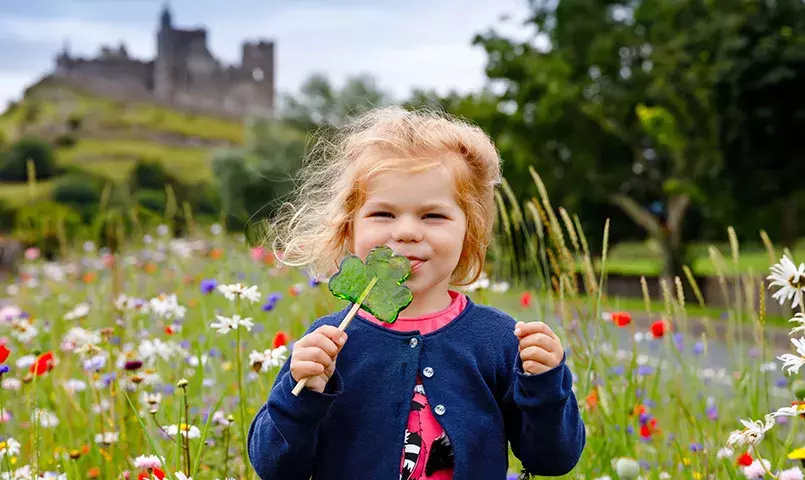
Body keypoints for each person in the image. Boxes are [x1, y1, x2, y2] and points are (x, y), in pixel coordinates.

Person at [247, 106, 586, 480]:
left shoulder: (499, 340)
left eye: (432, 216)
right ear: (348, 230)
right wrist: (302, 394)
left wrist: (544, 385)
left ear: (469, 232)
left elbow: (553, 460)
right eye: (383, 214)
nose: (407, 232)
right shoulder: (329, 344)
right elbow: (274, 467)